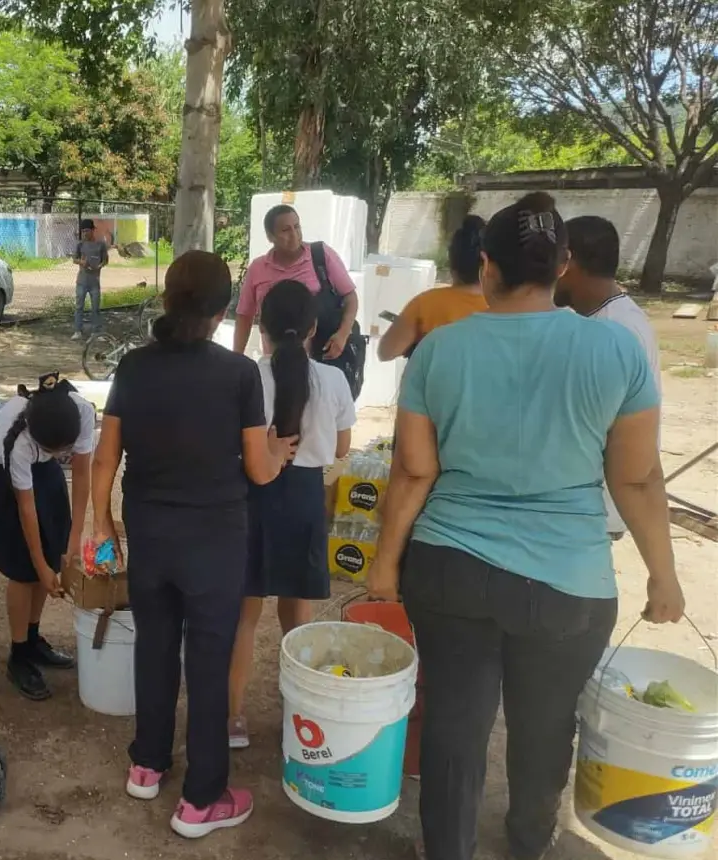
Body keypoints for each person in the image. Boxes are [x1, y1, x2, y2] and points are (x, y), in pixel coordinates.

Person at [366, 192, 685, 860]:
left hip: (450, 569)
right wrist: (664, 576)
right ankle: (527, 843)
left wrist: (385, 563)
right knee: (544, 730)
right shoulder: (614, 351)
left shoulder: (439, 352)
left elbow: (413, 474)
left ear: (485, 266)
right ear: (562, 263)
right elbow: (635, 479)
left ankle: (448, 849)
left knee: (454, 725)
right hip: (569, 582)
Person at [90, 251, 296, 840]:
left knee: (153, 645)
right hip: (214, 540)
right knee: (207, 661)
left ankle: (148, 764)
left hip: (150, 532)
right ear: (223, 309)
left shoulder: (132, 367)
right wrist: (280, 454)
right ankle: (202, 799)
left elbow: (107, 455)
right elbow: (257, 470)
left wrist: (100, 522)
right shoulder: (238, 374)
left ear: (166, 300)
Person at [227, 279, 355, 750]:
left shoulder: (243, 376)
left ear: (259, 325)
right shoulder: (335, 380)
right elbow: (341, 449)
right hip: (305, 501)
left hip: (252, 498)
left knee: (244, 616)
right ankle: (300, 716)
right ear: (314, 328)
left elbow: (233, 446)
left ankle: (232, 719)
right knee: (298, 618)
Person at [0, 372, 96, 701]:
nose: (66, 456)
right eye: (58, 451)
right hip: (7, 474)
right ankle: (18, 655)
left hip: (42, 468)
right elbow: (26, 511)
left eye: (66, 452)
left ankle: (32, 639)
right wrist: (43, 568)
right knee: (24, 569)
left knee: (53, 546)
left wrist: (73, 540)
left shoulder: (81, 412)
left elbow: (83, 471)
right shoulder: (17, 442)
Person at [557, 215, 662, 541]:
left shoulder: (610, 331)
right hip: (598, 504)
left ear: (567, 262)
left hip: (594, 508)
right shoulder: (617, 318)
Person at [232, 205, 359, 380]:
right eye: (285, 230)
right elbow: (245, 315)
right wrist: (236, 358)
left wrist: (343, 334)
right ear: (270, 236)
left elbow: (350, 296)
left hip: (321, 360)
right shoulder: (258, 268)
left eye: (297, 226)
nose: (294, 234)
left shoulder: (321, 256)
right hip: (275, 367)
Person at [377, 215, 489, 361]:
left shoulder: (426, 303)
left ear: (452, 261)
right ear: (488, 264)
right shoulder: (504, 309)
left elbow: (386, 352)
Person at [72, 219, 109, 340]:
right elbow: (74, 259)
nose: (85, 233)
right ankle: (78, 331)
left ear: (93, 230)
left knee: (95, 308)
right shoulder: (80, 244)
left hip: (94, 282)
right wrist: (81, 262)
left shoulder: (100, 244)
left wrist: (100, 265)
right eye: (83, 231)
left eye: (87, 231)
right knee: (79, 307)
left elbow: (105, 260)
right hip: (81, 281)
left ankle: (96, 333)